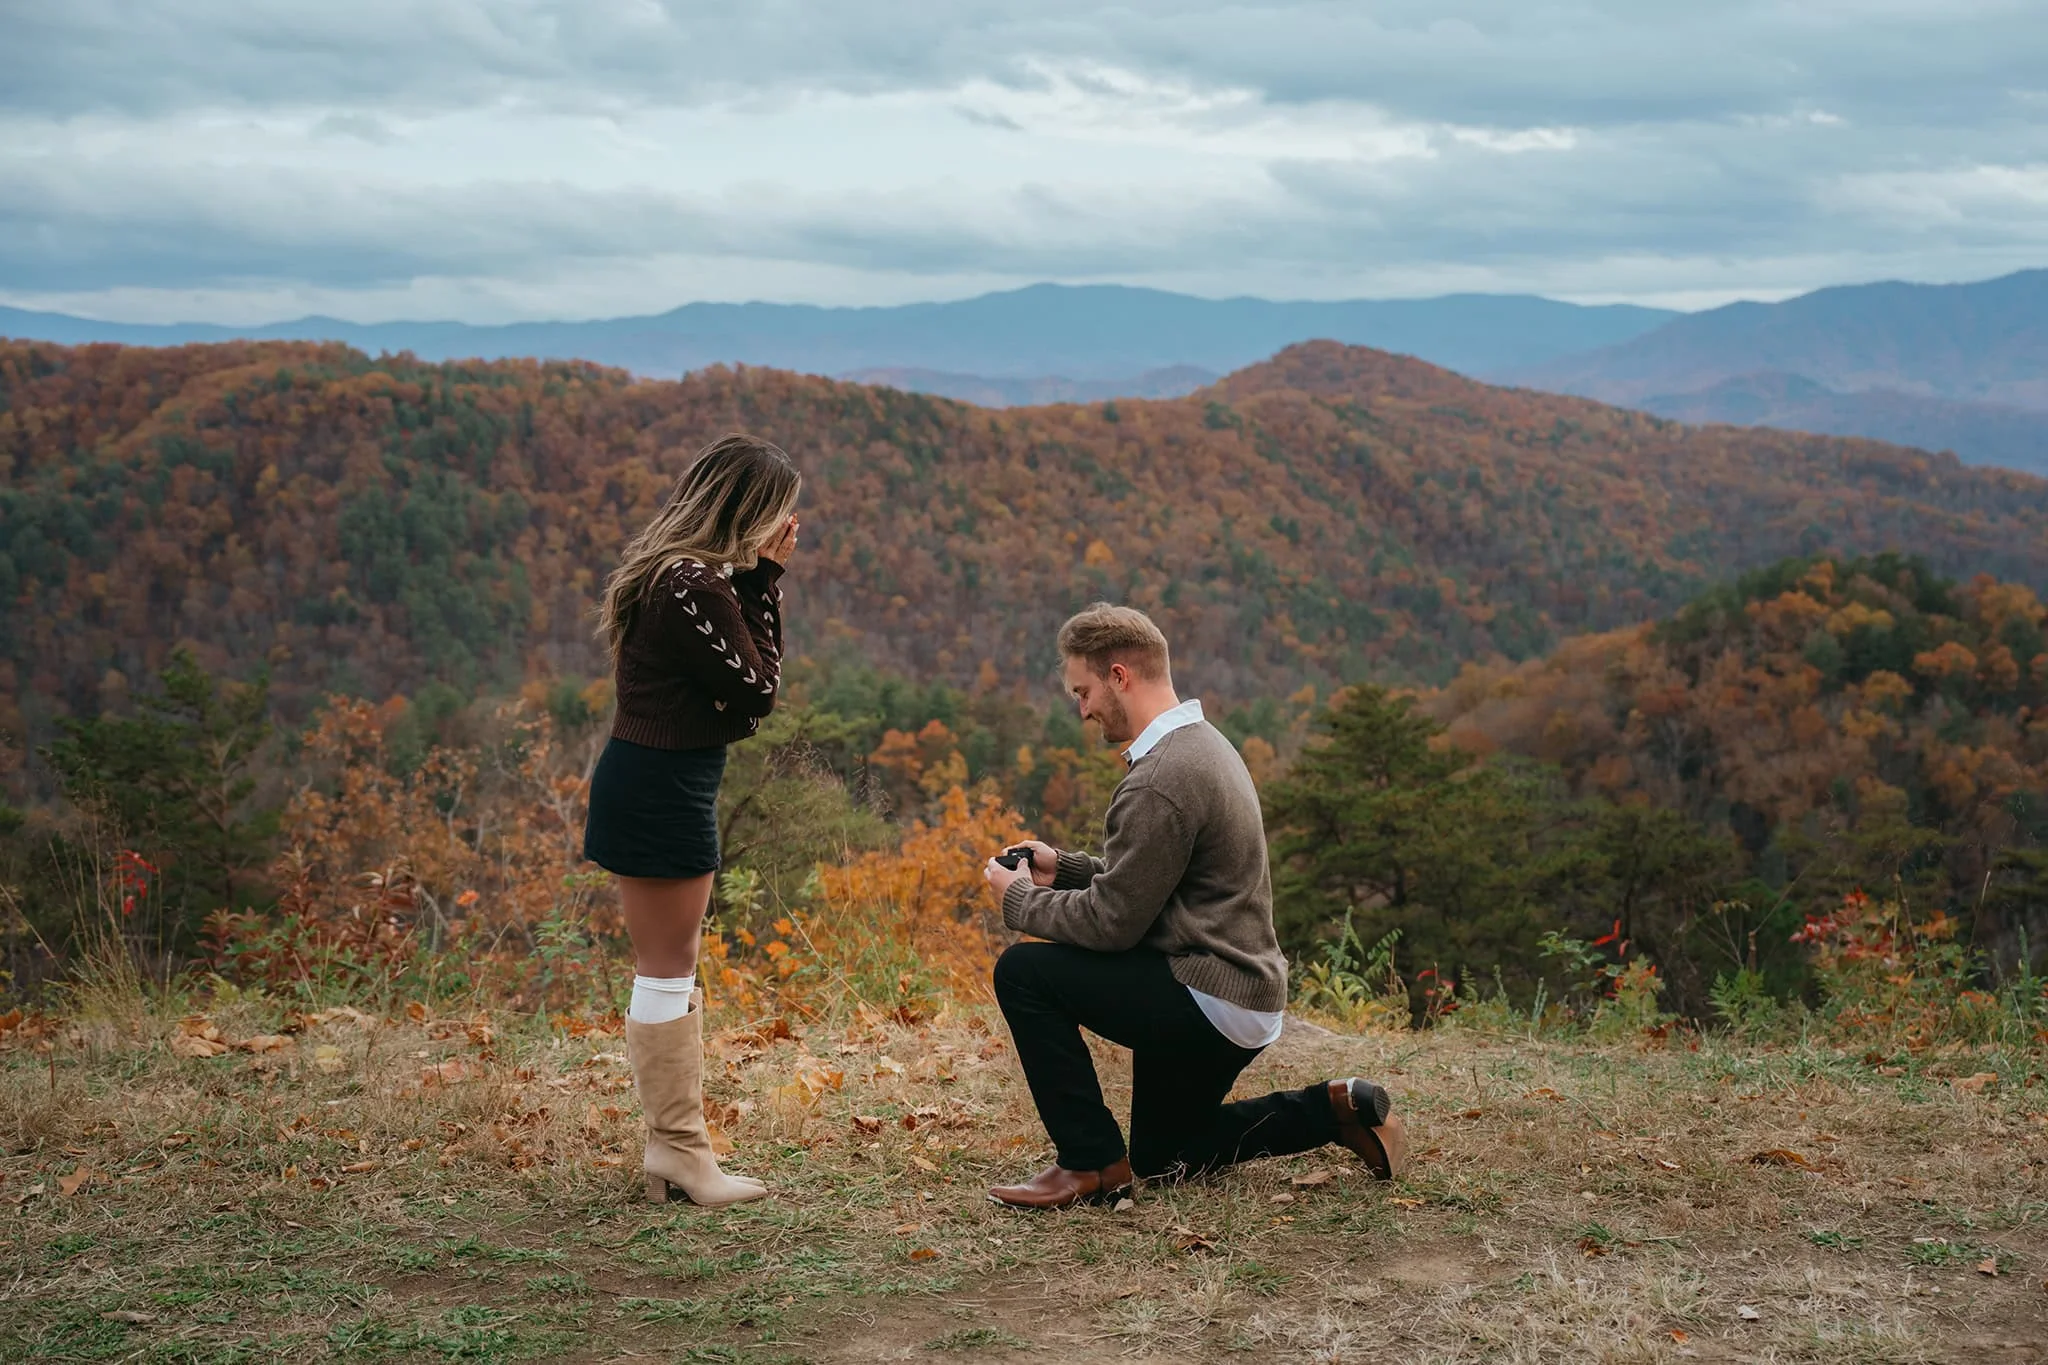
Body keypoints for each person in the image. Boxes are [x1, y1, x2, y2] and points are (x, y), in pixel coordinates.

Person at [981, 604, 1406, 1209]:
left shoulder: (1161, 778)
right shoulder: (1201, 745)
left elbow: (1113, 923)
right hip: (1238, 989)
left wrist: (1020, 900)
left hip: (1208, 992)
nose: (1083, 709)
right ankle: (1334, 1111)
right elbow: (1156, 882)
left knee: (1023, 973)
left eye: (1085, 690)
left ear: (1120, 675)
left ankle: (1090, 1166)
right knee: (1167, 1152)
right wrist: (1067, 868)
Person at [585, 433, 800, 1208]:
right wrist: (767, 578)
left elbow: (736, 691)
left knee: (669, 963)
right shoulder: (691, 585)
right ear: (749, 509)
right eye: (779, 512)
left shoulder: (680, 577)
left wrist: (750, 578)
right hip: (661, 788)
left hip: (660, 779)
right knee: (667, 966)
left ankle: (677, 1151)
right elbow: (757, 688)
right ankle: (679, 1151)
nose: (786, 526)